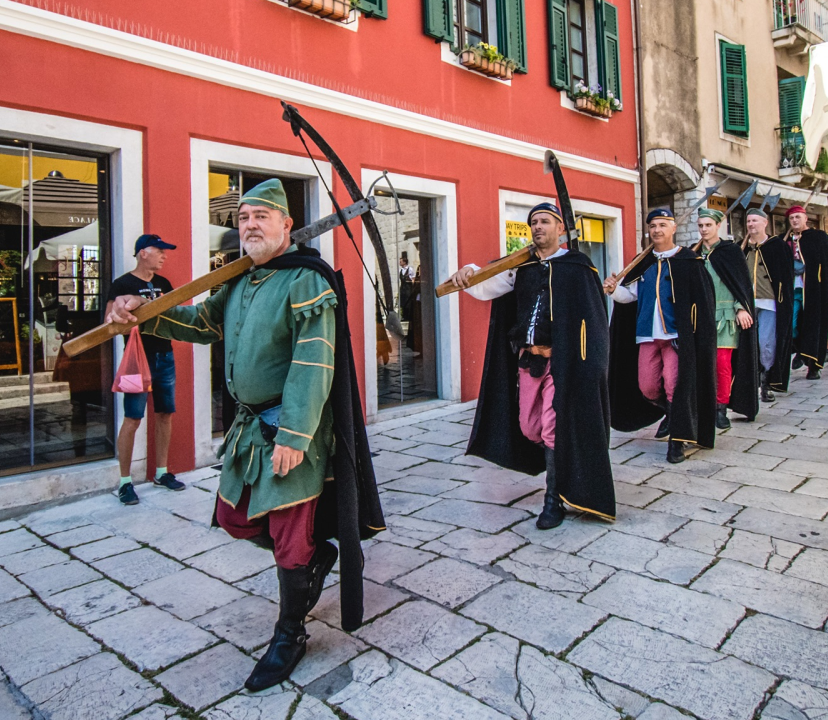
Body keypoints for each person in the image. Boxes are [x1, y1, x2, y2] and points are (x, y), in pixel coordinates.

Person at [106, 179, 385, 691]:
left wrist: (296, 435)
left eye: (261, 216)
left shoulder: (307, 280)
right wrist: (141, 314)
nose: (250, 225)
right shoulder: (237, 280)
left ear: (285, 225)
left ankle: (290, 632)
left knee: (289, 535)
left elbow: (313, 359)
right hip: (248, 426)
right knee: (234, 516)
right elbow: (200, 323)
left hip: (289, 427)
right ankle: (319, 560)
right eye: (242, 218)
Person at [449, 203, 614, 529]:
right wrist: (467, 272)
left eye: (545, 221)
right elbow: (486, 286)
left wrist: (592, 365)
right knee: (529, 427)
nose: (538, 227)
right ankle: (564, 464)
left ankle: (553, 500)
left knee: (553, 427)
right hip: (529, 361)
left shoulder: (578, 267)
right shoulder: (520, 267)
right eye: (533, 222)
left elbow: (594, 323)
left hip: (562, 364)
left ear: (560, 229)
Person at [605, 209, 718, 464]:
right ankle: (672, 414)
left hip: (677, 337)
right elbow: (629, 297)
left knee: (673, 385)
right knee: (647, 385)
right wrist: (613, 291)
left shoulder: (689, 261)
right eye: (653, 226)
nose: (657, 230)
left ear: (673, 228)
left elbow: (703, 303)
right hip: (647, 335)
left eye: (663, 225)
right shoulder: (642, 263)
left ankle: (677, 441)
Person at [105, 234, 186, 505]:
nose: (164, 255)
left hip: (165, 356)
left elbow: (176, 316)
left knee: (165, 413)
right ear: (143, 253)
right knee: (133, 418)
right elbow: (110, 324)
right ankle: (125, 482)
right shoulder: (122, 284)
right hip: (137, 360)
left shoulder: (164, 284)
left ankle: (161, 472)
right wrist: (126, 307)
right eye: (159, 250)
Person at [693, 208, 757, 429]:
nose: (704, 229)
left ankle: (720, 407)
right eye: (700, 225)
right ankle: (704, 404)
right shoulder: (694, 252)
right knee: (702, 363)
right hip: (700, 316)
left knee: (722, 363)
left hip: (725, 315)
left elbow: (741, 283)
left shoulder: (730, 251)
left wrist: (741, 308)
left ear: (718, 226)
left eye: (708, 225)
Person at [743, 208, 795, 402]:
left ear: (765, 223)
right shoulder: (743, 247)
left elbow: (786, 276)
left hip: (770, 302)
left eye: (755, 220)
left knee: (766, 343)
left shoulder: (777, 246)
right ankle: (750, 382)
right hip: (747, 304)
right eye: (748, 221)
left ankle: (766, 383)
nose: (751, 224)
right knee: (749, 344)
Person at [786, 207, 828, 379]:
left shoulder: (819, 238)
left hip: (814, 291)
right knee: (791, 325)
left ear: (805, 218)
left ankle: (813, 366)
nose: (794, 221)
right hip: (793, 290)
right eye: (791, 218)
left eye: (797, 217)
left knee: (814, 326)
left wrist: (827, 289)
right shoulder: (786, 240)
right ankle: (800, 350)